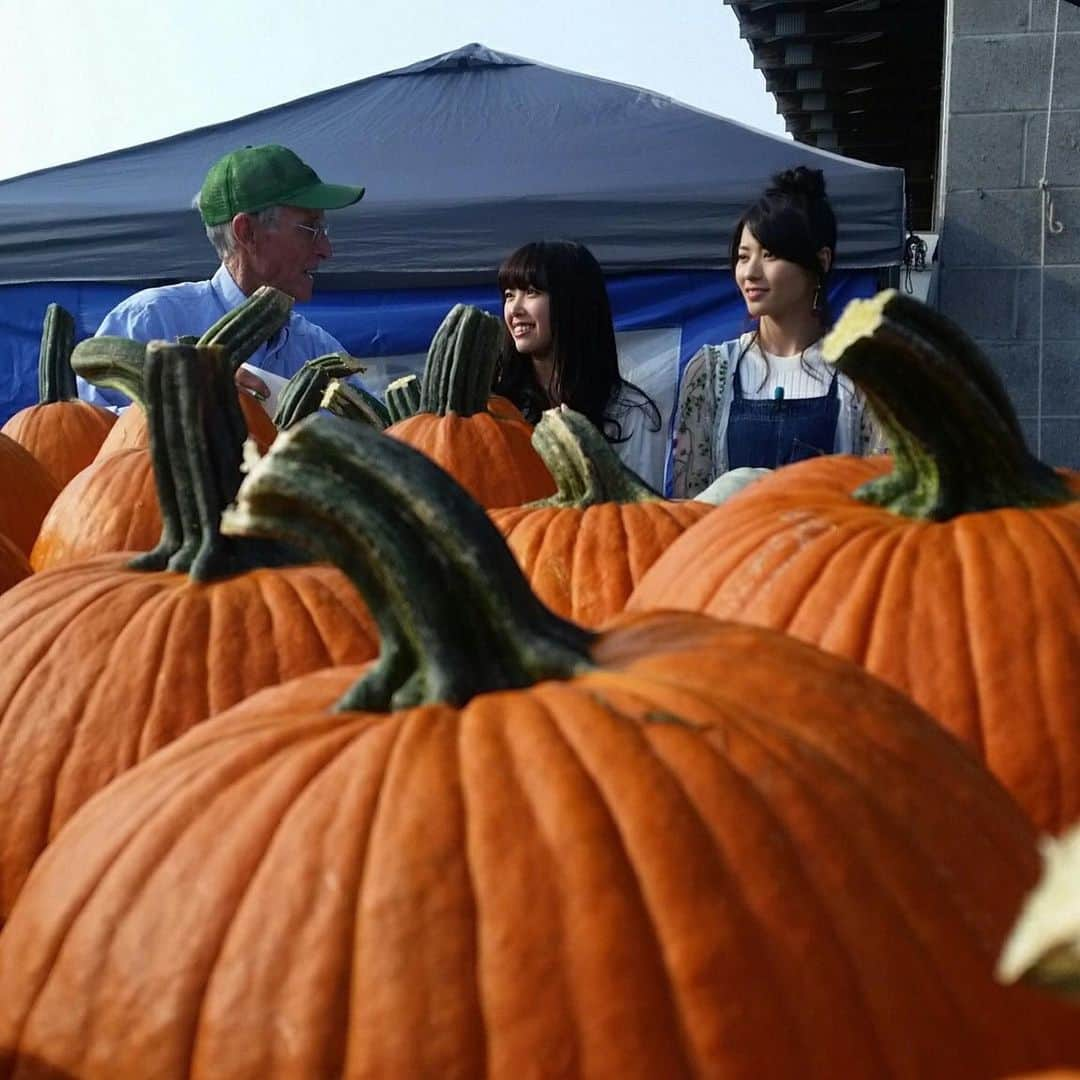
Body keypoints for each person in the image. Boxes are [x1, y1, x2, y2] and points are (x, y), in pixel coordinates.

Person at [79, 143, 366, 410]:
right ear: (247, 232)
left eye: (324, 231)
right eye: (309, 229)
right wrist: (181, 403)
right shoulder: (151, 320)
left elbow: (384, 432)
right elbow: (88, 432)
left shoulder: (318, 350)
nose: (326, 250)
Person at [669, 166, 884, 498]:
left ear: (821, 261)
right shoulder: (711, 371)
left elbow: (884, 500)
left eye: (770, 256)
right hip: (729, 547)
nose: (750, 272)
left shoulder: (863, 374)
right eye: (743, 257)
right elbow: (689, 505)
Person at [494, 240, 664, 487]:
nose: (515, 309)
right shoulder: (498, 407)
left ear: (572, 302)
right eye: (509, 295)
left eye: (532, 292)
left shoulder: (629, 412)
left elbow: (642, 515)